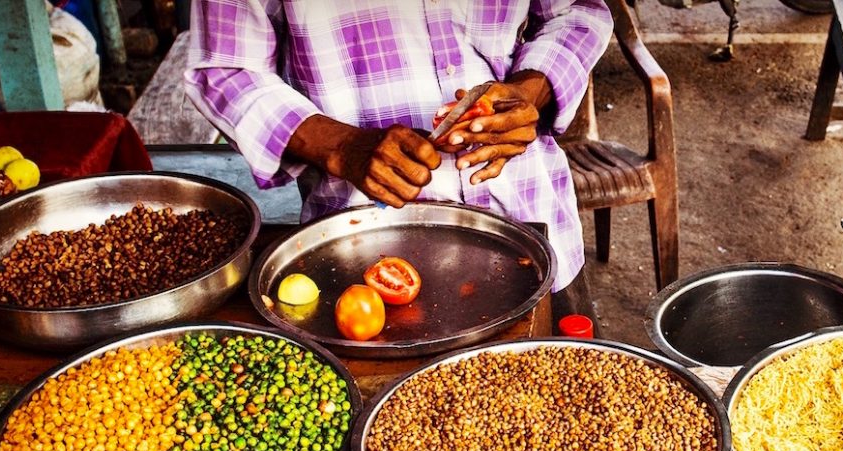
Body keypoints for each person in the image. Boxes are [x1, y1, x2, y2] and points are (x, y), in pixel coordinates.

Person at [184, 0, 613, 293]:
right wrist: (341, 146)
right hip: (363, 251)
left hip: (532, 217)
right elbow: (227, 68)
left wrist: (529, 92)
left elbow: (577, 11)